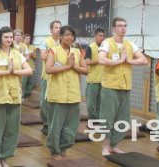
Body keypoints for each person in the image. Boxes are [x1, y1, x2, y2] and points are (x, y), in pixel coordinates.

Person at [98, 17, 148, 155]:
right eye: (120, 26)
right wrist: (120, 61)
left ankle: (114, 145)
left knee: (123, 119)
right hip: (110, 86)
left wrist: (129, 60)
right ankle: (105, 146)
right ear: (114, 28)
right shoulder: (107, 43)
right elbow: (101, 59)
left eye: (125, 26)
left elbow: (143, 60)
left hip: (125, 86)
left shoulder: (130, 44)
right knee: (107, 118)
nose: (123, 28)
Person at [0, 26, 32, 167]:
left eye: (11, 37)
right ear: (0, 38)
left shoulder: (18, 54)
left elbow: (29, 70)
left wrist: (15, 71)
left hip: (14, 96)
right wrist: (6, 72)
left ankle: (5, 157)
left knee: (11, 130)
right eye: (6, 37)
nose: (9, 40)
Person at [45, 26, 88, 160]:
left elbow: (86, 71)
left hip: (74, 94)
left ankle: (63, 149)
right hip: (58, 95)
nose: (70, 37)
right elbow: (48, 69)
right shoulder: (54, 51)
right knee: (56, 125)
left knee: (71, 126)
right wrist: (68, 66)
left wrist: (73, 66)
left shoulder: (76, 51)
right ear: (61, 37)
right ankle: (54, 151)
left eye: (72, 35)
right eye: (67, 35)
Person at [39, 20, 62, 134]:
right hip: (47, 76)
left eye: (59, 27)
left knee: (57, 101)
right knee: (45, 102)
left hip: (60, 76)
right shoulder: (46, 41)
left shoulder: (63, 41)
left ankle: (55, 123)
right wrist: (55, 54)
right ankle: (46, 123)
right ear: (51, 30)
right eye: (56, 27)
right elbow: (43, 56)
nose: (58, 29)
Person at [85, 28, 105, 120]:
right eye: (100, 36)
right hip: (93, 80)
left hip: (104, 81)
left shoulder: (105, 48)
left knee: (101, 104)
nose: (102, 38)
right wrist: (99, 60)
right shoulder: (90, 47)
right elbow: (87, 61)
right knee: (91, 104)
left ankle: (98, 121)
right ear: (95, 36)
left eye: (103, 36)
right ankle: (92, 121)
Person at [22, 34, 37, 99]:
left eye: (29, 38)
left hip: (31, 67)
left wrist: (32, 55)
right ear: (24, 39)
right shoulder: (22, 46)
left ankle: (27, 94)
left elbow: (35, 57)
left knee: (31, 82)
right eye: (27, 38)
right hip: (24, 68)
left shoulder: (32, 46)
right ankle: (22, 95)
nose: (28, 40)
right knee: (23, 82)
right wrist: (27, 55)